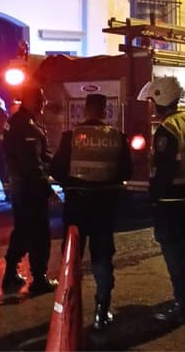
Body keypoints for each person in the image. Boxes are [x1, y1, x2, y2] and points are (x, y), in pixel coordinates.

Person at [50, 93, 133, 330]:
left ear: (85, 110)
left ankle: (67, 308)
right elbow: (126, 172)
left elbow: (56, 169)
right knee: (102, 258)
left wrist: (73, 182)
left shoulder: (71, 137)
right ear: (105, 111)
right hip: (104, 208)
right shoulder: (117, 137)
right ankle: (101, 310)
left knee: (71, 259)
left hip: (76, 206)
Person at [137, 76, 185, 325]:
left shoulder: (168, 129)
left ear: (160, 99)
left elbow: (165, 168)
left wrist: (153, 197)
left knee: (175, 252)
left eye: (153, 101)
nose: (152, 107)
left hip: (171, 199)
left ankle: (181, 303)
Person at [1, 81, 58, 295]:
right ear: (26, 100)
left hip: (22, 187)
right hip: (30, 189)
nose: (42, 103)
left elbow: (41, 157)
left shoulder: (20, 121)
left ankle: (11, 273)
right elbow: (33, 164)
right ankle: (39, 278)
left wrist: (58, 164)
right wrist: (48, 191)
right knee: (39, 234)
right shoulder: (26, 126)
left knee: (23, 231)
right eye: (38, 98)